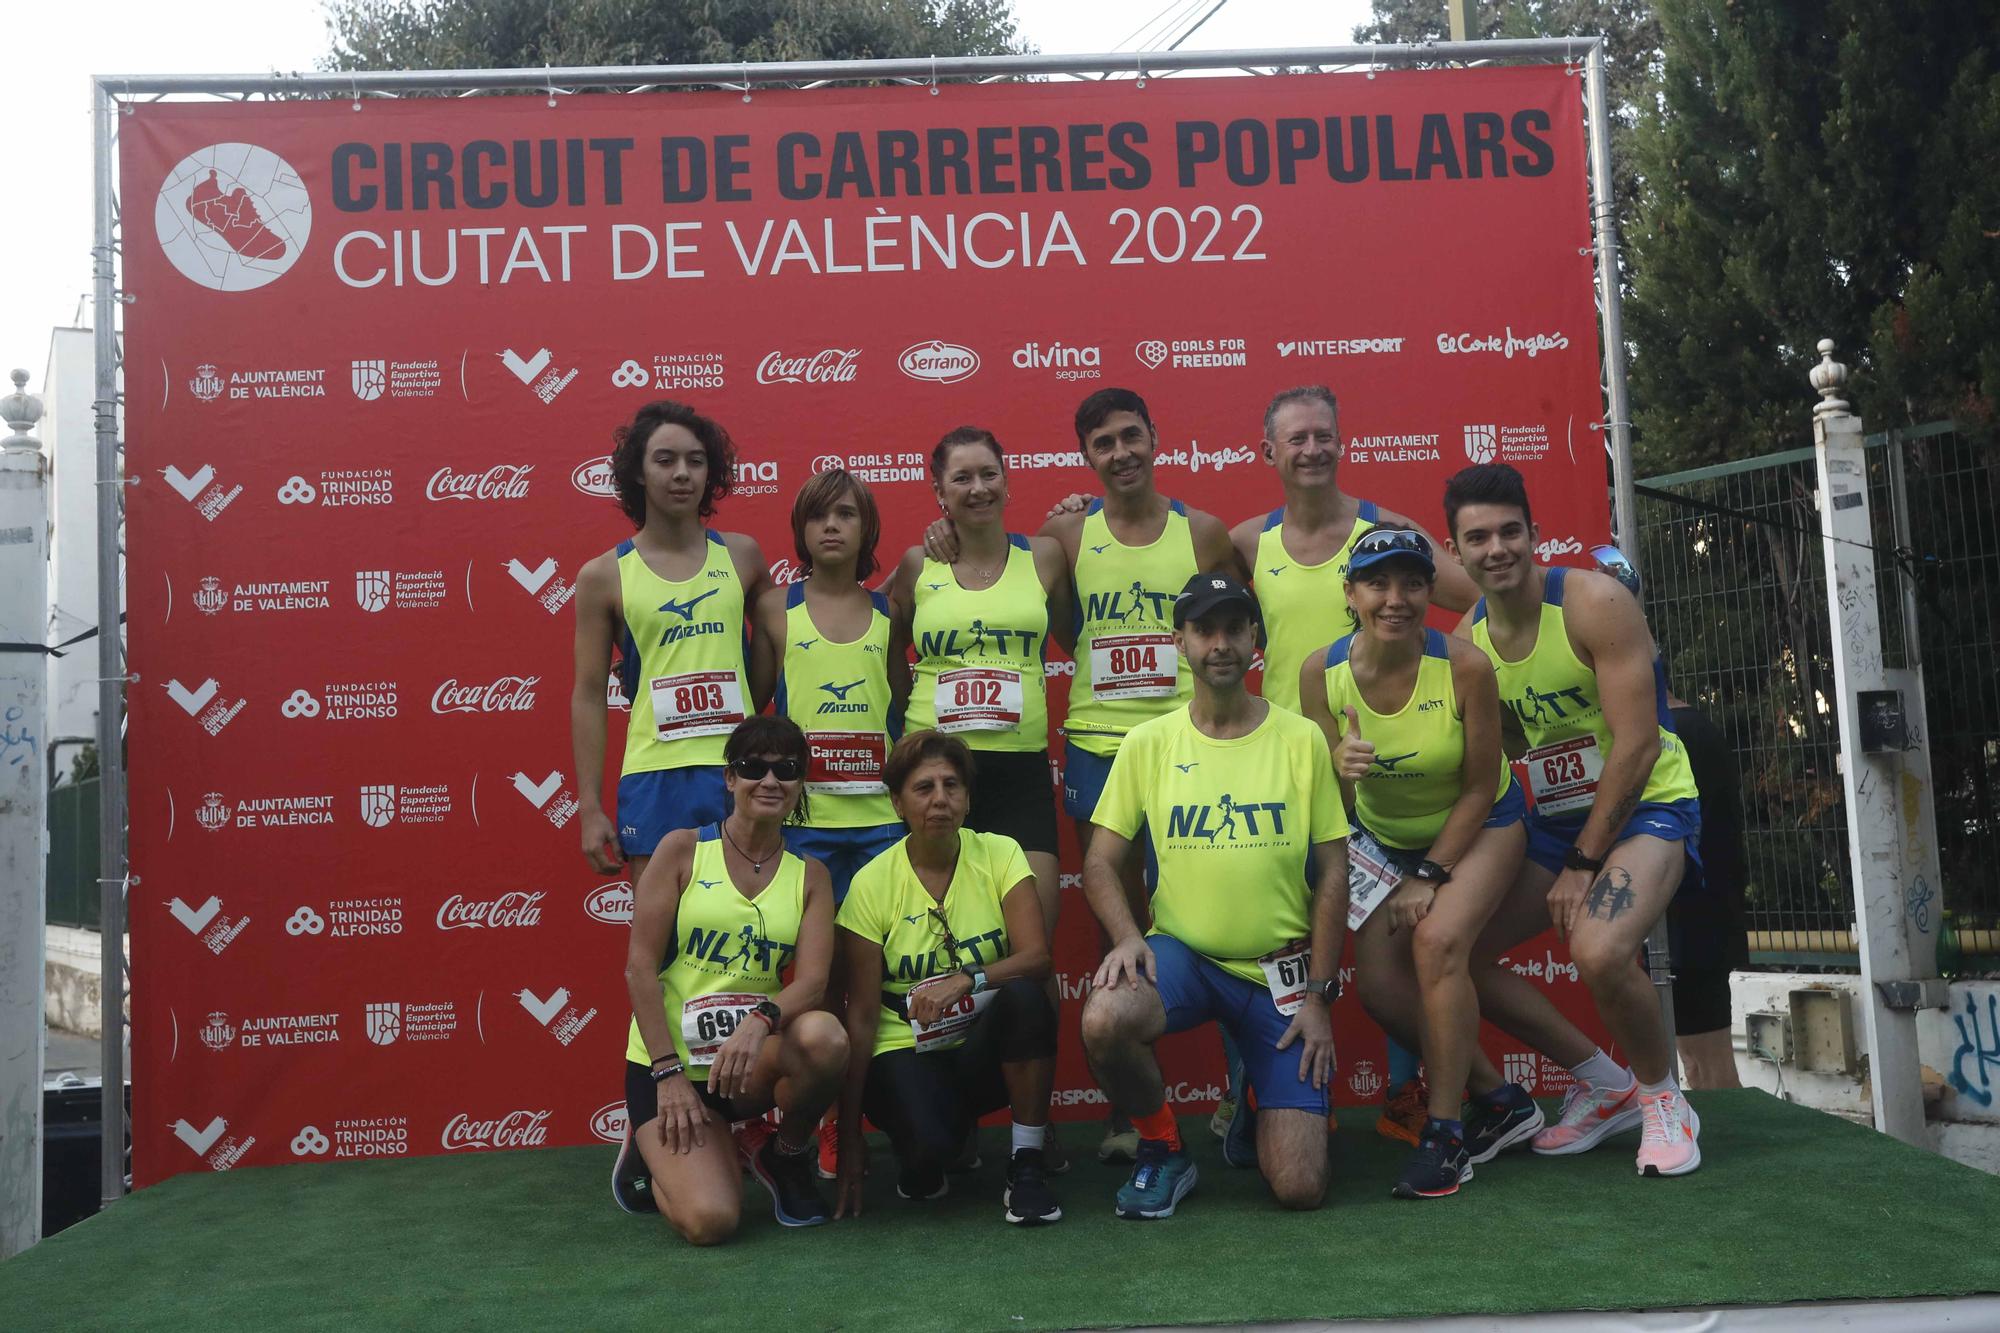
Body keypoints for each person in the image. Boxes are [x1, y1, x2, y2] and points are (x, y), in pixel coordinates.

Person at [1445, 463, 1707, 1177]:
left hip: (1647, 803)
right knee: (1457, 953)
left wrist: (1582, 864)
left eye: (1508, 531)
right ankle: (1603, 1083)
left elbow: (1641, 741)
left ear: (1534, 535)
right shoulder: (1469, 640)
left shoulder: (1593, 601)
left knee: (1596, 949)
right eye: (1477, 537)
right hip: (1556, 823)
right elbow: (1508, 751)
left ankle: (1662, 1099)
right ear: (1457, 551)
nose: (1496, 548)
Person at [1229, 385, 1475, 1142]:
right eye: (1295, 439)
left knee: (1393, 937)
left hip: (1370, 775)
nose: (1311, 450)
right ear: (1267, 451)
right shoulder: (1245, 541)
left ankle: (1408, 1093)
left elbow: (1477, 602)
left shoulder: (1385, 531)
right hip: (1273, 761)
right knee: (1272, 928)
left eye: (1323, 436)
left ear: (1342, 443)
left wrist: (1438, 683)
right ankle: (1268, 1090)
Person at [1079, 573, 1349, 1218]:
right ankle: (1165, 1148)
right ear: (1181, 642)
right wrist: (1126, 936)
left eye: (1234, 628)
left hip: (1280, 976)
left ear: (1256, 637)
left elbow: (1335, 871)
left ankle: (1255, 1090)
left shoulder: (1302, 737)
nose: (1220, 644)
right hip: (1186, 959)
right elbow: (1098, 862)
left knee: (1300, 1188)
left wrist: (1318, 997)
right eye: (1205, 630)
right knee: (1105, 1019)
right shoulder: (1148, 741)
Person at [1298, 526, 1539, 1197]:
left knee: (1436, 941)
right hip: (1382, 841)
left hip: (1483, 825)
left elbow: (1478, 784)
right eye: (1377, 582)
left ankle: (1445, 1133)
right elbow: (1332, 803)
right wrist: (1339, 771)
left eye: (1411, 582)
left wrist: (1428, 874)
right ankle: (1499, 1098)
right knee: (1379, 986)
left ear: (1431, 591)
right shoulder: (1321, 671)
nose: (1395, 598)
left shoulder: (1465, 666)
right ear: (1350, 593)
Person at [611, 716, 847, 1241]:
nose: (770, 781)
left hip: (744, 1063)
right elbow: (640, 968)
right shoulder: (682, 850)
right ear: (729, 779)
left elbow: (811, 983)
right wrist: (666, 1074)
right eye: (753, 768)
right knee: (710, 1222)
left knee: (825, 1037)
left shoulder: (811, 875)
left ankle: (783, 1155)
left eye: (786, 769)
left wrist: (761, 1021)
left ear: (801, 782)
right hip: (670, 1067)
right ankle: (647, 1148)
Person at [832, 730, 1063, 1225]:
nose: (940, 799)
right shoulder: (871, 883)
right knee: (929, 1154)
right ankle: (932, 1145)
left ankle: (1026, 1164)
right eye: (923, 788)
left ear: (967, 797)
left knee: (1024, 996)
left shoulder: (1000, 854)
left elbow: (1037, 957)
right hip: (904, 1048)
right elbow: (864, 1011)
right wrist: (847, 1132)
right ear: (897, 802)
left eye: (952, 785)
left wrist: (968, 978)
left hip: (980, 1042)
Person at [572, 400, 772, 884]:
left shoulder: (743, 556)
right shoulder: (603, 576)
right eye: (665, 460)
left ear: (711, 472)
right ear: (638, 472)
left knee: (749, 938)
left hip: (737, 770)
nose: (682, 473)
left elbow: (785, 641)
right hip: (653, 776)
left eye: (695, 460)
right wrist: (589, 806)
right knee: (656, 948)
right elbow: (589, 692)